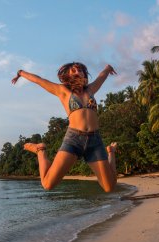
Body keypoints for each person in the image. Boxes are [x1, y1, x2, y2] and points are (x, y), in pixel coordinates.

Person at [11, 62, 118, 192]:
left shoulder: (90, 89)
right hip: (74, 140)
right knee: (47, 184)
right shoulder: (63, 91)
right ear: (67, 75)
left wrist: (108, 68)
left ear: (84, 74)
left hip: (95, 141)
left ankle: (111, 152)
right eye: (73, 70)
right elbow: (39, 80)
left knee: (109, 187)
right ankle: (40, 150)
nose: (77, 72)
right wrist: (20, 73)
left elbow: (102, 76)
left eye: (80, 70)